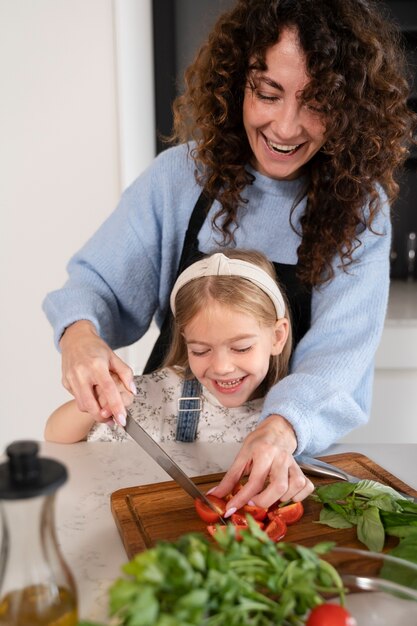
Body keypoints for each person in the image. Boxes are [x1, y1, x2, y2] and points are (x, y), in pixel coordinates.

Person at [42, 0, 416, 511]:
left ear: (348, 109)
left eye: (316, 102)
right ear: (237, 82)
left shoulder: (359, 206)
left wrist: (280, 429)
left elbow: (338, 355)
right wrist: (79, 337)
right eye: (268, 93)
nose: (286, 127)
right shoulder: (180, 178)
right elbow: (96, 288)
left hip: (281, 468)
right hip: (160, 456)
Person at [45, 249, 314, 508]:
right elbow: (56, 434)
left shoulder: (299, 411)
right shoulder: (167, 393)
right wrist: (102, 395)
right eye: (200, 350)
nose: (221, 367)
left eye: (241, 348)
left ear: (278, 337)